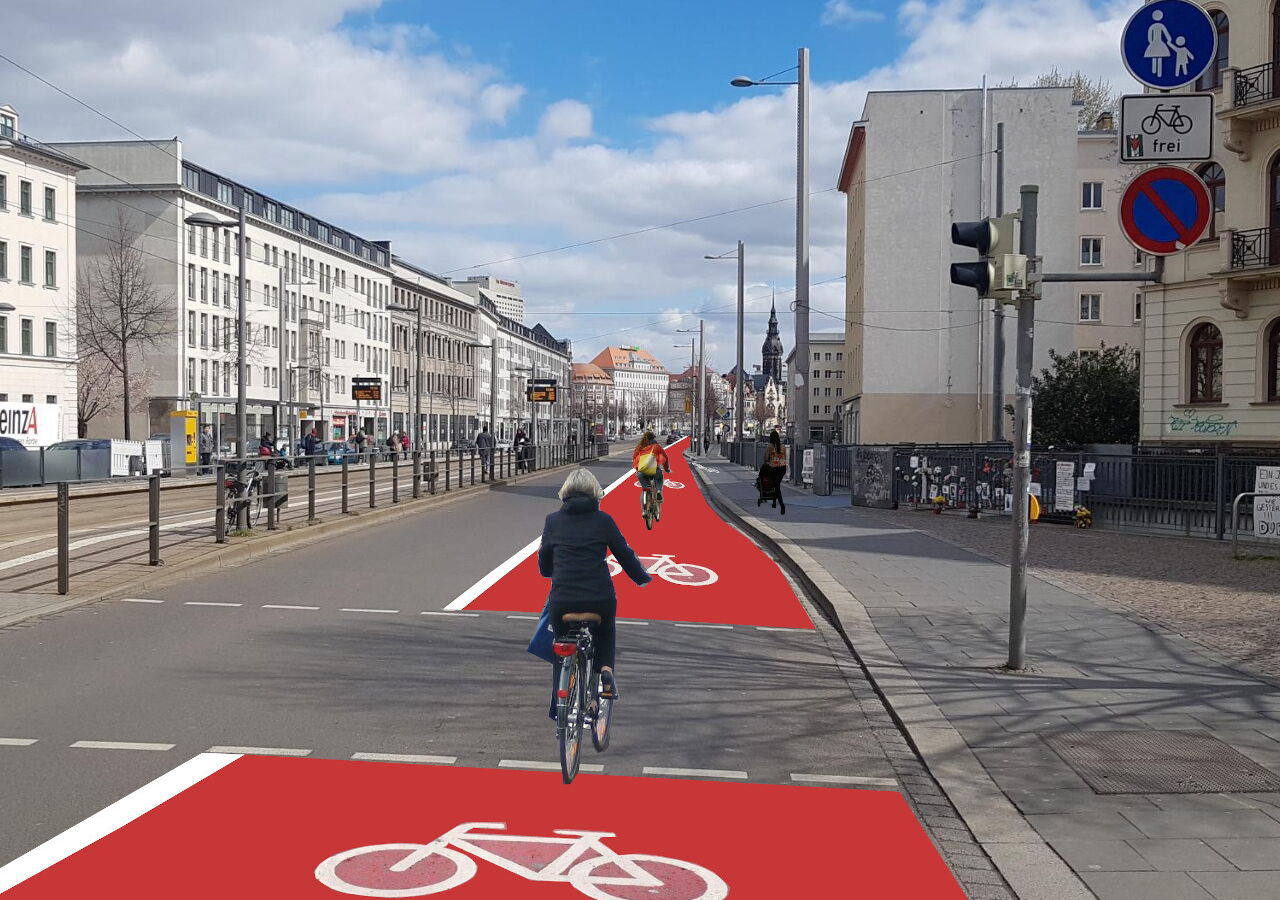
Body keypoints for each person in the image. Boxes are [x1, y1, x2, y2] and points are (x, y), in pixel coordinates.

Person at [538, 468, 651, 718]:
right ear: (595, 494)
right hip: (599, 599)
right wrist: (642, 578)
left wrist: (551, 572)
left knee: (561, 644)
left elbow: (544, 563)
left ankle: (559, 706)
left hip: (562, 601)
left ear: (565, 492)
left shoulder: (552, 521)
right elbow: (625, 555)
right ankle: (606, 670)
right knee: (605, 631)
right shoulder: (604, 521)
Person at [632, 431, 671, 512]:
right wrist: (666, 469)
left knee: (645, 489)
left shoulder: (640, 447)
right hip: (654, 470)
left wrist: (637, 469)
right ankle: (659, 491)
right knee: (659, 478)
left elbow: (635, 459)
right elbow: (665, 458)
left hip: (642, 472)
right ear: (653, 438)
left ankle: (644, 511)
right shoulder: (657, 447)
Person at [757, 429, 787, 494]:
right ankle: (774, 503)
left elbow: (766, 458)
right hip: (783, 468)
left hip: (774, 468)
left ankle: (760, 484)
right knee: (777, 485)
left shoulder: (770, 446)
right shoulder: (783, 446)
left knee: (764, 469)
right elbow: (785, 457)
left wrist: (767, 461)